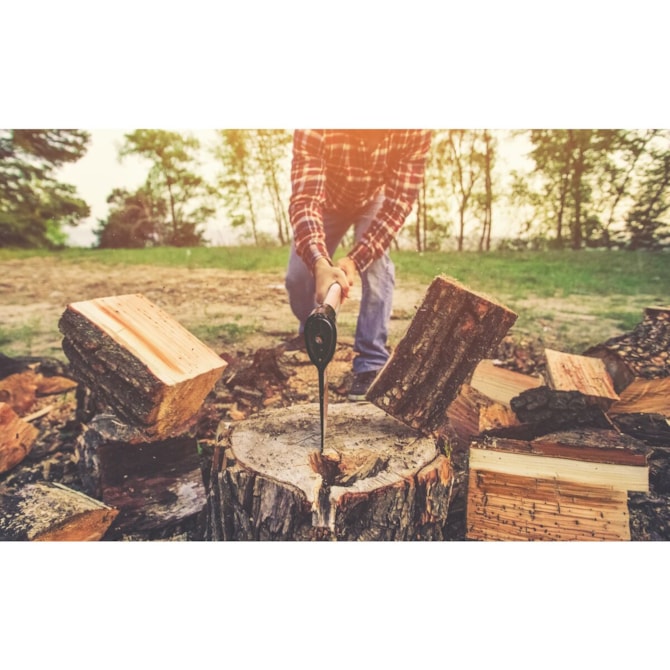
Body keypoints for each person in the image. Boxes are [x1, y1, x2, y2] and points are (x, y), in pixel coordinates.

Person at [285, 129, 432, 401]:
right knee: (297, 277)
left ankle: (372, 359)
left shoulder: (414, 129)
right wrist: (318, 261)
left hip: (373, 201)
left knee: (378, 272)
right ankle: (313, 332)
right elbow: (305, 200)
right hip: (324, 200)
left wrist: (355, 259)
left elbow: (399, 203)